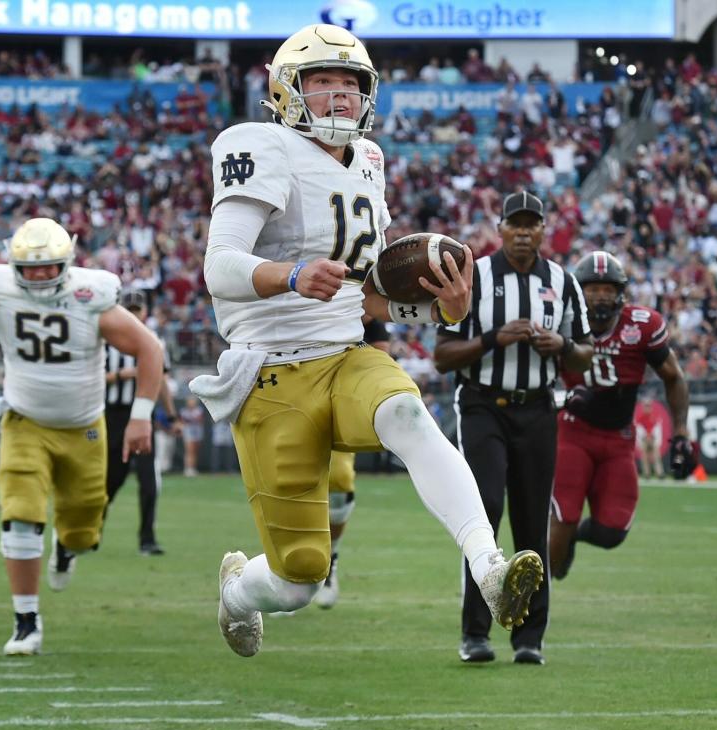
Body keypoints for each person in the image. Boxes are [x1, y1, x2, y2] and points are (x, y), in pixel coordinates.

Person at [196, 23, 544, 660]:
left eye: (350, 85)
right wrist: (292, 275)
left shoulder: (370, 160)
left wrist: (444, 309)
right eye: (321, 82)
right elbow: (220, 267)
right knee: (299, 579)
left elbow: (370, 295)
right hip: (270, 377)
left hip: (346, 357)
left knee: (409, 413)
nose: (338, 97)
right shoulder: (257, 144)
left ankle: (489, 567)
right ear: (286, 90)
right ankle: (238, 592)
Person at [0, 218, 162, 655]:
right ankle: (25, 621)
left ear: (66, 263)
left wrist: (141, 416)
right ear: (13, 265)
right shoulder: (1, 292)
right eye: (29, 267)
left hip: (84, 428)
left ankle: (66, 548)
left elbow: (150, 348)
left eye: (47, 266)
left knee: (82, 530)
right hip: (24, 420)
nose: (37, 275)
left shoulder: (90, 296)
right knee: (20, 512)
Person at [434, 191, 594, 666]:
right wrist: (491, 339)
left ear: (544, 230)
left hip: (539, 409)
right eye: (515, 224)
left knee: (530, 521)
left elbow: (585, 352)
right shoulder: (475, 276)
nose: (524, 233)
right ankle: (475, 633)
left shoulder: (563, 281)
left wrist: (560, 344)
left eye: (533, 225)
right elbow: (442, 356)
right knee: (484, 510)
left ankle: (529, 638)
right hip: (484, 404)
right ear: (499, 228)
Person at [550, 251, 693, 581]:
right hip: (573, 432)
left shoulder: (643, 325)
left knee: (612, 531)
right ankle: (537, 607)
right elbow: (533, 377)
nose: (601, 295)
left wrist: (682, 433)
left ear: (620, 293)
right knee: (565, 514)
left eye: (608, 288)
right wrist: (565, 397)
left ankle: (574, 538)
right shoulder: (561, 322)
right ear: (578, 291)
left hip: (619, 438)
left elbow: (674, 376)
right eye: (593, 288)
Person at [313, 316, 392, 609]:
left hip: (334, 399)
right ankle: (285, 570)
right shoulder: (289, 283)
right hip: (286, 391)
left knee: (339, 480)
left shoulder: (352, 293)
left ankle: (329, 558)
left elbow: (381, 349)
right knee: (283, 482)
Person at [103, 289, 176, 555]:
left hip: (142, 415)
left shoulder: (154, 341)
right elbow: (93, 379)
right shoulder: (106, 340)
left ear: (144, 312)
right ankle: (89, 533)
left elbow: (162, 382)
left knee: (149, 482)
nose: (134, 314)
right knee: (109, 480)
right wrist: (125, 374)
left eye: (137, 310)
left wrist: (171, 415)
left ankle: (147, 539)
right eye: (129, 309)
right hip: (112, 416)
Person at [633, 395, 670, 479]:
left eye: (648, 406)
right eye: (646, 406)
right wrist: (644, 437)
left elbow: (657, 429)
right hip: (644, 439)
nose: (647, 408)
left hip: (653, 439)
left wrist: (654, 439)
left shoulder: (655, 417)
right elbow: (638, 429)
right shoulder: (640, 418)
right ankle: (647, 474)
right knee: (644, 457)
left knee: (656, 456)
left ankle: (660, 473)